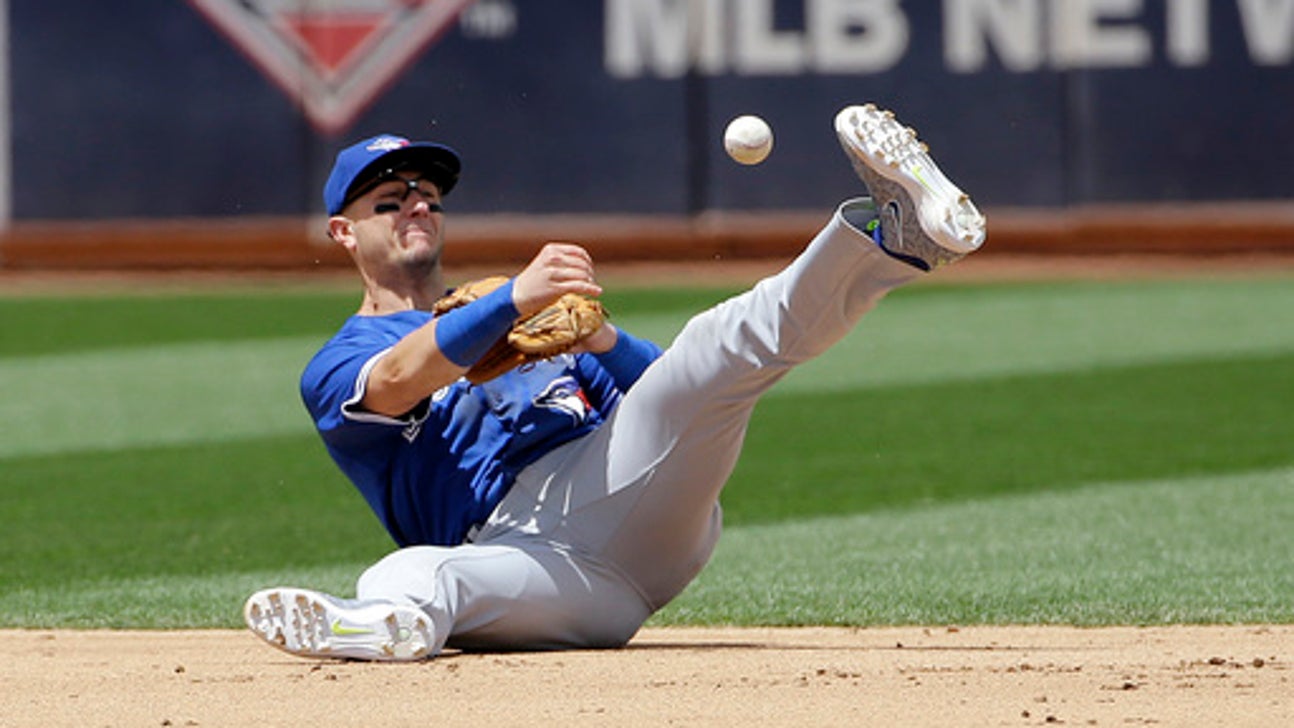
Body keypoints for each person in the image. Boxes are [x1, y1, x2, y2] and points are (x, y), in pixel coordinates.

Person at [243, 103, 986, 661]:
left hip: (622, 495)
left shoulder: (532, 317)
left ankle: (897, 241)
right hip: (540, 574)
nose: (417, 202)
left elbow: (668, 389)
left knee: (716, 351)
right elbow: (400, 379)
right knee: (415, 572)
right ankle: (373, 628)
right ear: (343, 231)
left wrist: (601, 337)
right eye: (389, 196)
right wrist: (508, 302)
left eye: (427, 194)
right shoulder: (341, 360)